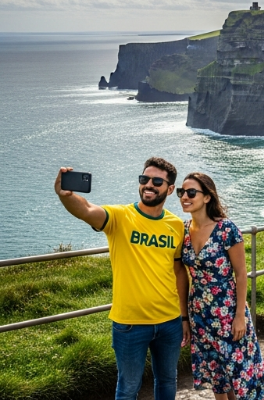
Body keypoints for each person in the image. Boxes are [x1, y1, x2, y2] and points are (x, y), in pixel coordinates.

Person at [54, 158, 188, 400]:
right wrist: (65, 196)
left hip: (170, 321)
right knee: (128, 388)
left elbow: (178, 271)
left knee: (168, 381)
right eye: (144, 179)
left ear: (169, 189)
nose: (149, 185)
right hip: (130, 324)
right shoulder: (120, 217)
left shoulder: (176, 225)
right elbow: (85, 210)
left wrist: (184, 316)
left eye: (157, 181)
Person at [179, 173, 264, 399]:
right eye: (182, 192)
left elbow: (241, 275)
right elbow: (181, 273)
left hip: (228, 311)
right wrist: (185, 318)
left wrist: (240, 315)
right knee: (217, 374)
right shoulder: (183, 230)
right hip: (199, 312)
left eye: (191, 192)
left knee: (239, 372)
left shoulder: (226, 229)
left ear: (207, 197)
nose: (184, 197)